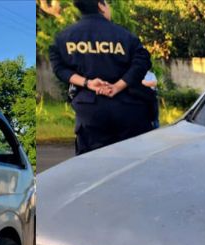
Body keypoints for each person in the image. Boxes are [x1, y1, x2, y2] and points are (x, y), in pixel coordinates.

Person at [49, 0, 154, 155]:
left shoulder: (64, 38)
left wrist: (88, 83)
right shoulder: (124, 35)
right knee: (133, 163)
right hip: (128, 109)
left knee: (94, 167)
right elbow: (142, 61)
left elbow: (59, 68)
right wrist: (118, 86)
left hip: (90, 113)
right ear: (100, 5)